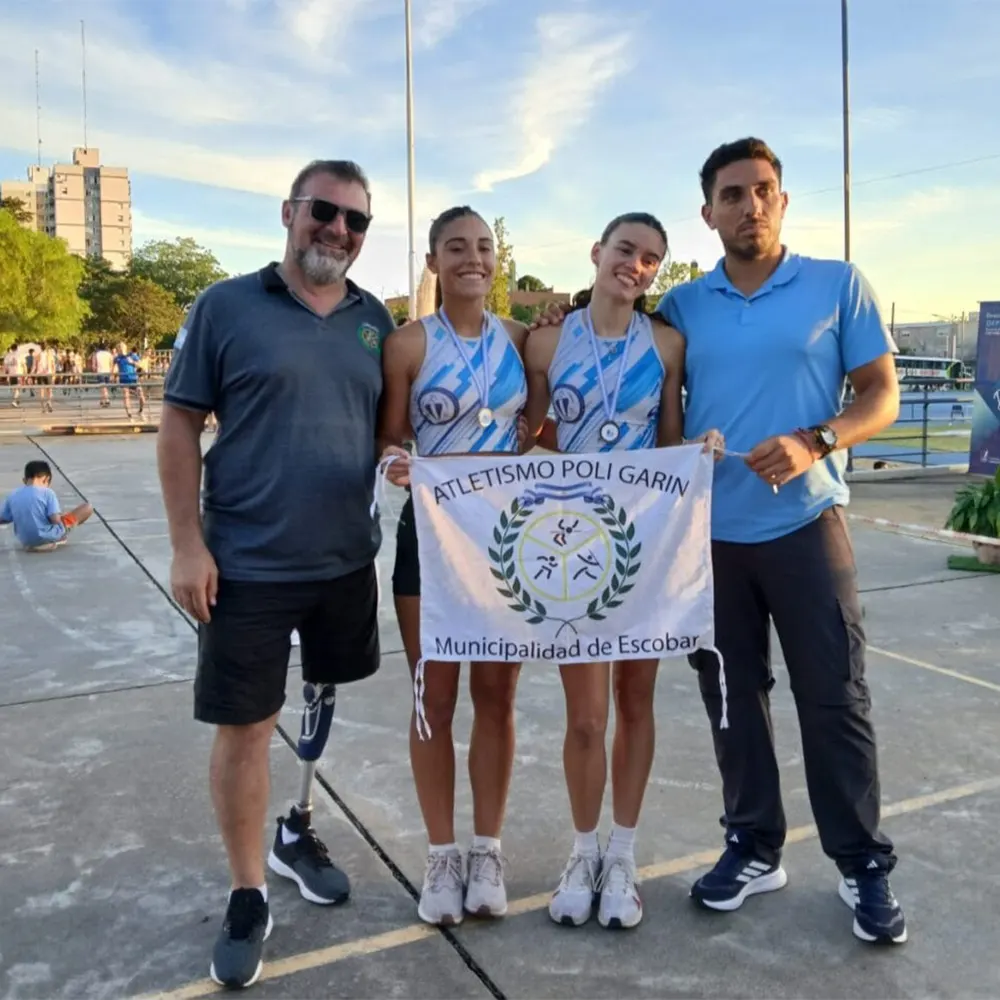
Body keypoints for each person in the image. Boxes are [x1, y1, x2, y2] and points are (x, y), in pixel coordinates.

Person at [657, 138, 905, 944]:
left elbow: (882, 395)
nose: (749, 205)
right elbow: (621, 347)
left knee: (835, 698)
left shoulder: (837, 284)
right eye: (732, 194)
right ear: (709, 213)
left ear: (783, 201)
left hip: (807, 527)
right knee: (733, 701)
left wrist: (816, 439)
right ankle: (754, 845)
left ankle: (862, 864)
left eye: (762, 190)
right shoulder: (687, 305)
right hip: (712, 539)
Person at [157, 158, 396, 989]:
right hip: (246, 566)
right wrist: (188, 544)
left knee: (324, 698)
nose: (338, 230)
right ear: (290, 213)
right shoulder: (225, 306)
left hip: (343, 562)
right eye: (324, 212)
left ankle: (297, 827)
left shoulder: (377, 319)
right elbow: (180, 425)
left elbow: (391, 429)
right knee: (247, 726)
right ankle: (248, 888)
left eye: (356, 220)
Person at [521, 212, 722, 931]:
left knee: (637, 705)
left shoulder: (666, 344)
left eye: (651, 260)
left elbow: (669, 446)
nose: (636, 265)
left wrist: (701, 451)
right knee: (586, 717)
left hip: (640, 550)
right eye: (625, 250)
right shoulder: (546, 339)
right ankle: (582, 851)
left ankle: (625, 854)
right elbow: (527, 437)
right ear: (597, 252)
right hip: (576, 550)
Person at [377, 206, 529, 927]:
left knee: (497, 697)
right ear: (434, 261)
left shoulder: (525, 340)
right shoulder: (407, 344)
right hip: (429, 541)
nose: (474, 257)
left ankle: (486, 848)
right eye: (457, 248)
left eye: (485, 247)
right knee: (430, 697)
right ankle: (441, 856)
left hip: (506, 543)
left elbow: (551, 424)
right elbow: (387, 442)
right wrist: (398, 465)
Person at [0, 460, 93, 551]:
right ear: (46, 479)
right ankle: (58, 538)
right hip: (47, 537)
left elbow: (3, 518)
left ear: (24, 480)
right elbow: (55, 520)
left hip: (26, 541)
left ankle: (35, 541)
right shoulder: (48, 493)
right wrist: (61, 517)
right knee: (87, 508)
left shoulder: (14, 494)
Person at [112, 342, 147, 419]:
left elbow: (141, 365)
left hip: (133, 378)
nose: (121, 349)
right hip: (124, 379)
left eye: (122, 348)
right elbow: (113, 368)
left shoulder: (132, 356)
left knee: (142, 397)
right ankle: (129, 414)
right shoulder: (117, 358)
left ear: (125, 348)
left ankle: (140, 411)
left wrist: (132, 362)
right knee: (126, 396)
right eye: (119, 348)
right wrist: (114, 376)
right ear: (118, 349)